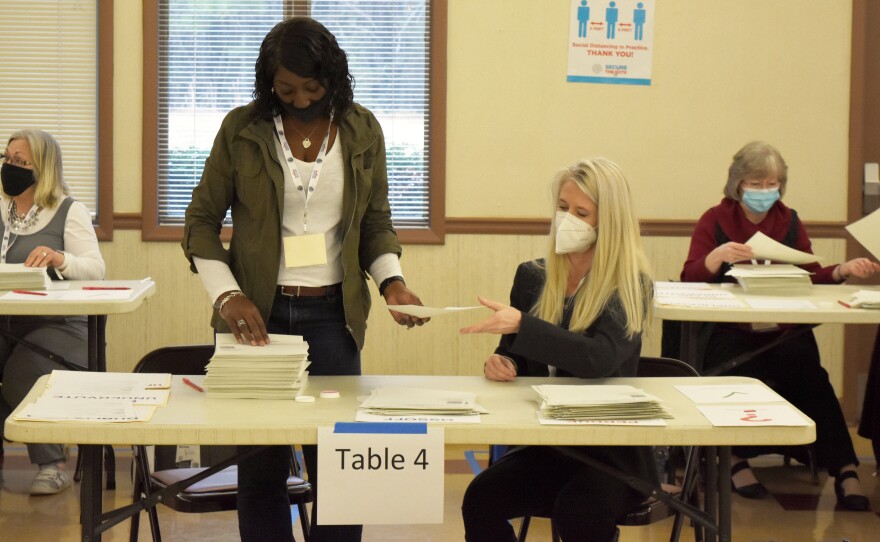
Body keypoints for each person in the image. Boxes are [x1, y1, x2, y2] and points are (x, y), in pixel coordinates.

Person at [181, 17, 428, 542]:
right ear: (268, 81)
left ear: (333, 77)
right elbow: (201, 223)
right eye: (285, 88)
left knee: (341, 470)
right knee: (261, 471)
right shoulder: (241, 130)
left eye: (311, 88)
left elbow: (377, 224)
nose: (298, 100)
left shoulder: (362, 130)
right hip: (258, 318)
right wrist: (227, 295)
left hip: (334, 319)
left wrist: (393, 283)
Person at [459, 158, 656, 541]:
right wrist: (502, 362)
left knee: (578, 511)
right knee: (480, 498)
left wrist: (522, 325)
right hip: (550, 446)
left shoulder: (631, 285)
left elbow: (597, 360)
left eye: (582, 212)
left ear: (608, 223)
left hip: (613, 452)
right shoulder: (533, 276)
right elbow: (515, 351)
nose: (568, 219)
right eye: (563, 208)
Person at [680, 140, 880, 511]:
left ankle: (846, 469)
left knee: (812, 376)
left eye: (771, 183)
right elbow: (689, 275)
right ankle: (733, 459)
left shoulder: (788, 220)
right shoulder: (715, 219)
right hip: (731, 331)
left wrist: (841, 271)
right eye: (755, 183)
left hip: (779, 330)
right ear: (738, 184)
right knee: (728, 372)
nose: (763, 192)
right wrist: (716, 257)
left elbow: (809, 274)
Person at [0, 129, 106, 495]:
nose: (10, 167)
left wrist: (60, 258)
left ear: (42, 168)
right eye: (8, 158)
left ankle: (52, 463)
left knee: (23, 370)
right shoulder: (2, 209)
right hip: (8, 321)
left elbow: (96, 269)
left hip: (61, 325)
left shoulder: (68, 210)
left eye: (20, 161)